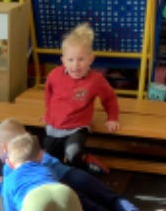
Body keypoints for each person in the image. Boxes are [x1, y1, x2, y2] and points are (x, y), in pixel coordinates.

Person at [0, 118, 166, 211]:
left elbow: (12, 193)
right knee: (110, 197)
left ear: (3, 148)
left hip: (59, 189)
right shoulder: (38, 152)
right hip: (74, 175)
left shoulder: (10, 167)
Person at [43, 22, 120, 175]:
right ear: (63, 60)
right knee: (49, 159)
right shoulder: (54, 75)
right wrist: (48, 113)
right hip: (55, 127)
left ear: (91, 59)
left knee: (72, 153)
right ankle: (65, 174)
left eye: (81, 59)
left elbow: (109, 98)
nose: (76, 65)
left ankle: (79, 170)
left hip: (77, 127)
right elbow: (49, 94)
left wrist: (112, 118)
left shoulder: (96, 80)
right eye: (70, 60)